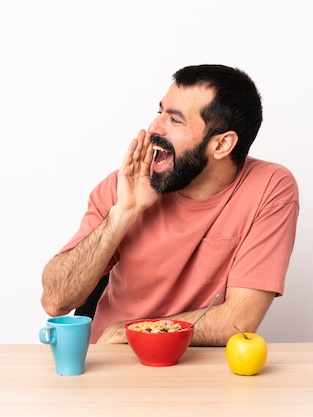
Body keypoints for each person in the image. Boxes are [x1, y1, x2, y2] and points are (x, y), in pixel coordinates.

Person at [41, 64, 299, 346]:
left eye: (175, 120)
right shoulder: (126, 184)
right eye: (159, 112)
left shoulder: (270, 187)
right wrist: (124, 213)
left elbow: (239, 319)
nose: (154, 128)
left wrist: (134, 331)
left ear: (222, 145)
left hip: (195, 368)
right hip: (111, 362)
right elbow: (55, 302)